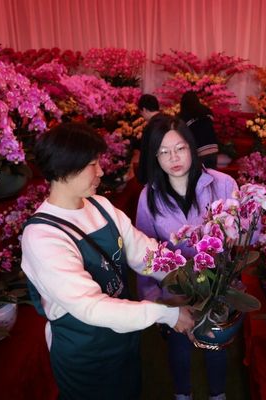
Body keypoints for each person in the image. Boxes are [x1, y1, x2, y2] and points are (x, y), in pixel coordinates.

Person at [21, 122, 194, 400]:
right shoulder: (43, 236)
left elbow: (145, 254)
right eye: (92, 164)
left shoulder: (101, 206)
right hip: (87, 354)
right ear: (65, 169)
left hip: (124, 337)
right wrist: (166, 314)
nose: (101, 171)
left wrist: (191, 277)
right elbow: (92, 307)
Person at [135, 114, 237, 400]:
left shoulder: (223, 184)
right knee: (179, 348)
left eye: (180, 148)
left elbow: (247, 236)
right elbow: (145, 254)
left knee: (215, 344)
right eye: (164, 152)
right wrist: (155, 299)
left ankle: (218, 394)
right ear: (155, 157)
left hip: (216, 287)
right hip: (176, 290)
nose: (174, 158)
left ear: (192, 147)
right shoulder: (149, 196)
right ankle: (183, 394)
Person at [179, 91, 219, 169]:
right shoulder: (207, 111)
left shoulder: (184, 115)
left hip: (199, 150)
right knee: (212, 173)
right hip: (213, 147)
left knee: (199, 174)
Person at [136, 94, 161, 184]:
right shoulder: (171, 121)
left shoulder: (150, 127)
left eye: (141, 112)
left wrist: (142, 177)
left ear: (144, 109)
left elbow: (146, 154)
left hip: (156, 174)